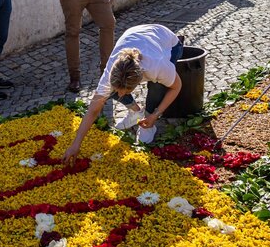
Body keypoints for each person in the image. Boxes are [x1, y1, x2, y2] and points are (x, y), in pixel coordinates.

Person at [62, 24, 183, 163]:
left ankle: (149, 124)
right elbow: (93, 110)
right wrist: (75, 144)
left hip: (170, 44)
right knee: (108, 91)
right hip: (137, 34)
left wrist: (155, 115)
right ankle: (135, 112)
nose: (119, 96)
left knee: (157, 87)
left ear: (138, 81)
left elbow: (176, 87)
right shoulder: (111, 71)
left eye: (124, 92)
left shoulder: (156, 66)